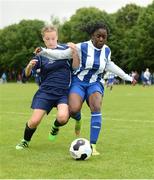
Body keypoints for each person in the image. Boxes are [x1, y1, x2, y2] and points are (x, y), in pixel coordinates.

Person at [37, 22, 136, 155]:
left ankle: (93, 145)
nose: (101, 39)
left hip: (95, 83)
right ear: (92, 36)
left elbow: (110, 65)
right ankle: (63, 122)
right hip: (78, 83)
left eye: (104, 37)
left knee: (96, 106)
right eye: (98, 36)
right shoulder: (81, 47)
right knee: (73, 110)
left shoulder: (107, 50)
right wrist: (43, 52)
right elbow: (61, 55)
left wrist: (128, 78)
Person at [16, 25, 79, 150]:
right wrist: (29, 66)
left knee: (62, 117)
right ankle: (25, 140)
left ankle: (55, 126)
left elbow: (75, 67)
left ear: (57, 37)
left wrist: (75, 52)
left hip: (63, 93)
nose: (51, 41)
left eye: (53, 38)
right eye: (48, 39)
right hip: (46, 93)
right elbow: (25, 76)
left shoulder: (66, 50)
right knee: (34, 121)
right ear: (44, 40)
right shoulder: (40, 54)